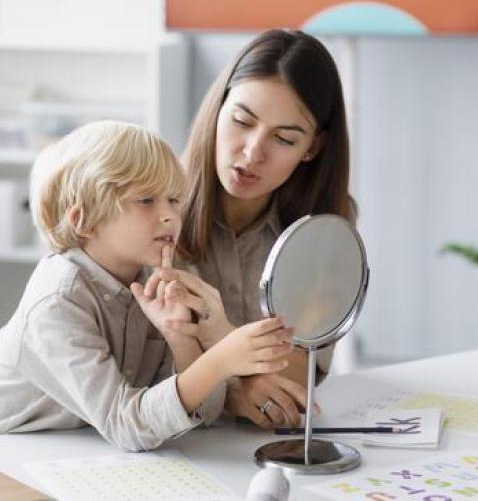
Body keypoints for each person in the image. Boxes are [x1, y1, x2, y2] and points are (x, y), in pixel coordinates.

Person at [0, 120, 293, 451]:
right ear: (84, 221)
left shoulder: (149, 283)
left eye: (173, 200)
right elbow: (128, 425)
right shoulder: (57, 302)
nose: (170, 215)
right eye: (146, 199)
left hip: (70, 448)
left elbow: (204, 412)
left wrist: (181, 338)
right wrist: (221, 360)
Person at [172, 29, 357, 429]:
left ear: (313, 148)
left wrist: (220, 341)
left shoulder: (325, 228)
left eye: (285, 139)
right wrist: (235, 393)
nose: (253, 152)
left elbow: (300, 375)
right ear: (218, 107)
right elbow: (138, 367)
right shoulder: (153, 203)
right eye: (241, 120)